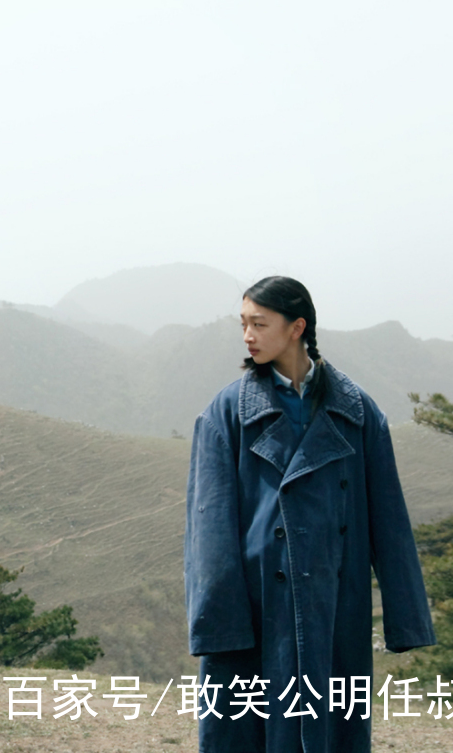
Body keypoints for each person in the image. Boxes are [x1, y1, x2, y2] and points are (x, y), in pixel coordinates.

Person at [183, 276, 433, 752]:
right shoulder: (227, 411)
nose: (247, 336)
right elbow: (208, 525)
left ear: (297, 327)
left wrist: (407, 618)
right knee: (248, 729)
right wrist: (218, 623)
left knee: (329, 725)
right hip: (256, 606)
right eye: (243, 323)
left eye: (260, 323)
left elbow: (390, 521)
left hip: (336, 601)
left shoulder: (358, 411)